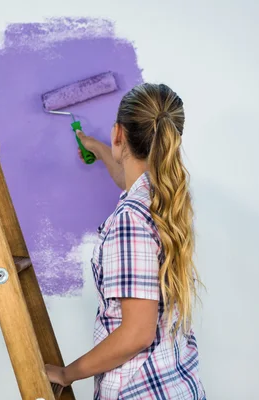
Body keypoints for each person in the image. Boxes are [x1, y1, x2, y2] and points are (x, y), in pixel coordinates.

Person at [45, 83, 206, 399]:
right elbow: (127, 178)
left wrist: (66, 374)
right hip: (175, 386)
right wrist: (99, 148)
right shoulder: (164, 198)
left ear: (118, 134)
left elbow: (136, 334)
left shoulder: (130, 220)